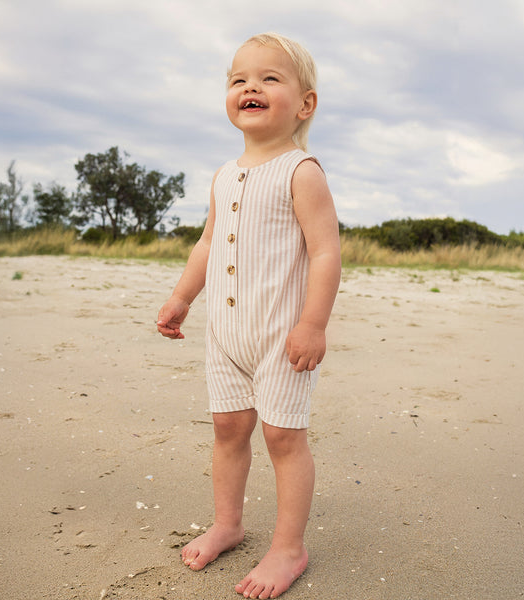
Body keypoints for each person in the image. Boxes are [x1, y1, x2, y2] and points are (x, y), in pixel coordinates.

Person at [157, 32, 341, 600]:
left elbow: (325, 252)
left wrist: (313, 324)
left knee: (283, 436)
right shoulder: (224, 175)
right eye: (238, 80)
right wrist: (183, 296)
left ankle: (289, 547)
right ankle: (229, 523)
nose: (250, 87)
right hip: (226, 336)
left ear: (304, 104)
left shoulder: (300, 171)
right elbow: (208, 245)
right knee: (228, 429)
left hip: (280, 337)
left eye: (268, 78)